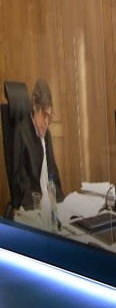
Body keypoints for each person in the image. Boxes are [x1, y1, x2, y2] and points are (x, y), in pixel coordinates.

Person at [11, 79, 64, 211]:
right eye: (44, 115)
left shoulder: (47, 135)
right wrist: (40, 205)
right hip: (33, 209)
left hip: (50, 208)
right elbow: (21, 183)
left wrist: (61, 203)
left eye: (49, 117)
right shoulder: (21, 133)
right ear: (34, 106)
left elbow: (53, 176)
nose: (46, 122)